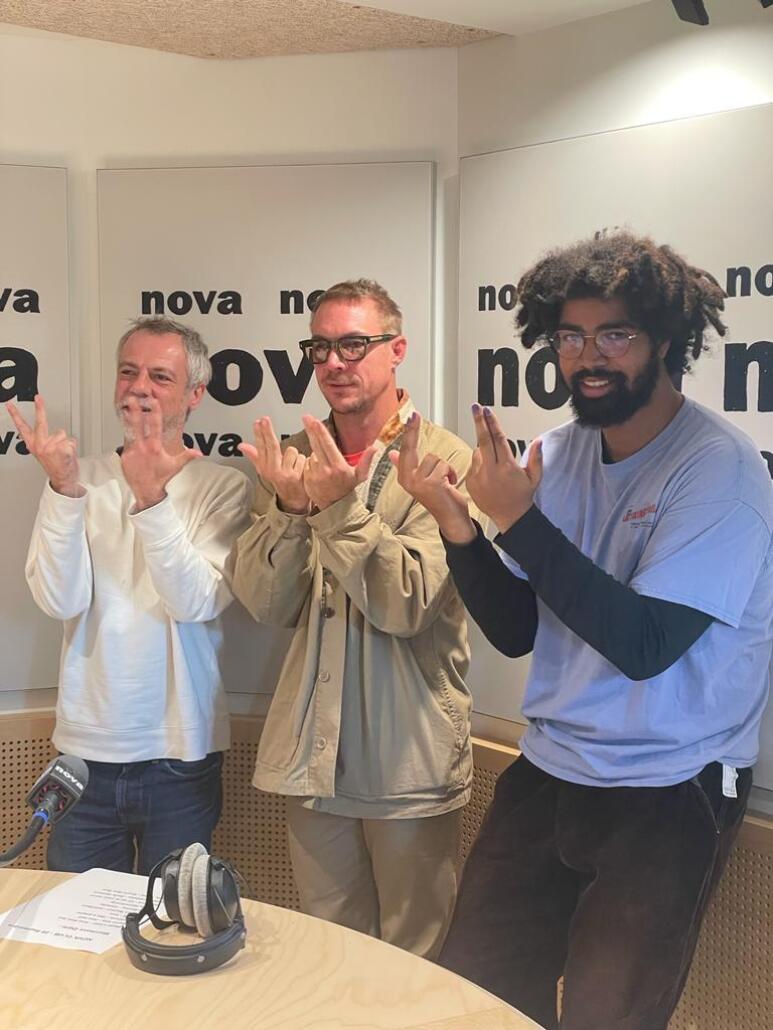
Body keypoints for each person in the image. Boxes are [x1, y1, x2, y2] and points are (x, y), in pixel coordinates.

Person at [393, 231, 773, 1029]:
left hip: (669, 785)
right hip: (550, 767)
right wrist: (459, 527)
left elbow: (644, 646)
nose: (587, 357)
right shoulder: (557, 452)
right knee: (475, 1000)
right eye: (570, 337)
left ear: (664, 340)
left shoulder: (720, 469)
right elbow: (516, 629)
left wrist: (519, 521)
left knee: (608, 1017)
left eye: (614, 335)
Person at [232, 279, 473, 959]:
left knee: (416, 964)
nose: (334, 362)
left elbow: (408, 604)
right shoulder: (291, 459)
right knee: (329, 957)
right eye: (320, 348)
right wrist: (292, 509)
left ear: (397, 350)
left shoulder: (445, 459)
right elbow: (267, 604)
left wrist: (337, 508)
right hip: (315, 756)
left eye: (354, 344)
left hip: (407, 758)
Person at [7, 316, 251, 875]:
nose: (139, 387)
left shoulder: (223, 487)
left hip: (182, 756)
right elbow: (59, 600)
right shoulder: (77, 477)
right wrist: (64, 491)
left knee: (170, 917)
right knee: (77, 917)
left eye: (160, 377)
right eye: (128, 372)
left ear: (194, 394)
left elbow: (195, 602)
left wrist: (150, 500)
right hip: (83, 755)